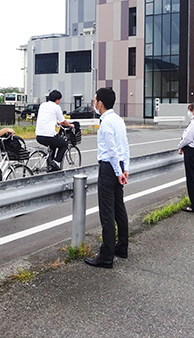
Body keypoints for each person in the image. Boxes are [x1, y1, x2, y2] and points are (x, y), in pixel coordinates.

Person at [85, 88, 130, 269]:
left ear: (100, 103)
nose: (93, 103)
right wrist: (124, 169)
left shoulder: (105, 124)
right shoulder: (118, 120)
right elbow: (124, 147)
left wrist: (118, 172)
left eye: (94, 100)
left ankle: (106, 256)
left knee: (107, 213)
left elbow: (111, 151)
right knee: (119, 209)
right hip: (119, 167)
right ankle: (122, 247)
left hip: (108, 169)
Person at [35, 90, 73, 171]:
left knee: (53, 146)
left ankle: (51, 166)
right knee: (64, 145)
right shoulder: (56, 107)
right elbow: (63, 121)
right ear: (57, 99)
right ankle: (56, 162)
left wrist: (56, 122)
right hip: (49, 136)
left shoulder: (43, 105)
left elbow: (47, 118)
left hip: (39, 136)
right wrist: (70, 125)